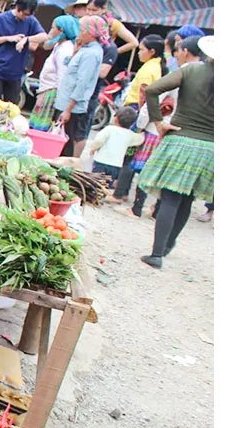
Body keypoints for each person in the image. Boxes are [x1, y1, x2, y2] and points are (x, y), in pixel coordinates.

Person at [138, 36, 214, 268]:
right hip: (211, 148)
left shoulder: (190, 71)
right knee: (187, 199)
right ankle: (169, 244)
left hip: (181, 139)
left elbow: (152, 90)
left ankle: (157, 253)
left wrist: (159, 122)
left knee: (170, 197)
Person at [53, 16, 107, 158]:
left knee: (65, 146)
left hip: (72, 107)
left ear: (91, 33)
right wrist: (76, 51)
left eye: (82, 30)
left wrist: (68, 110)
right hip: (65, 103)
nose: (79, 34)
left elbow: (82, 83)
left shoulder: (91, 53)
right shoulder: (85, 49)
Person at [0, 0, 48, 104]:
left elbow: (44, 36)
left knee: (11, 109)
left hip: (16, 74)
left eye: (29, 15)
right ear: (17, 8)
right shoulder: (1, 19)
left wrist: (26, 39)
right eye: (24, 14)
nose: (26, 17)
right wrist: (7, 38)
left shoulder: (30, 21)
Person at [29, 15, 79, 131]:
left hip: (51, 92)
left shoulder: (65, 50)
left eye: (53, 28)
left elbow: (62, 78)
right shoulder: (58, 45)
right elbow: (46, 45)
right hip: (46, 90)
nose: (51, 31)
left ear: (61, 31)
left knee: (41, 128)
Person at [88, 106, 143, 185]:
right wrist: (143, 134)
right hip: (116, 165)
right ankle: (104, 196)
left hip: (100, 162)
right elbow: (140, 139)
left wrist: (94, 148)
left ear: (116, 118)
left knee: (95, 182)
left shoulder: (109, 129)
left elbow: (99, 140)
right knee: (108, 184)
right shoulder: (130, 135)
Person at [123, 35, 166, 106]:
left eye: (141, 49)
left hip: (136, 106)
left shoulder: (148, 70)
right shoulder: (155, 66)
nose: (138, 53)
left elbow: (143, 96)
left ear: (152, 52)